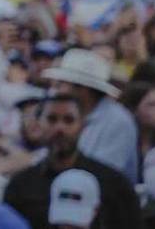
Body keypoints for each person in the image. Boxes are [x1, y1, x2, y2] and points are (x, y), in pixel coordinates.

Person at [2, 94, 141, 228]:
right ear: (39, 124)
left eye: (68, 120)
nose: (60, 128)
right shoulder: (21, 185)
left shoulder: (113, 184)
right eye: (52, 119)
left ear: (82, 126)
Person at [42, 48, 139, 179]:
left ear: (83, 89)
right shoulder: (72, 115)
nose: (57, 91)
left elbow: (104, 174)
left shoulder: (118, 121)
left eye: (62, 84)